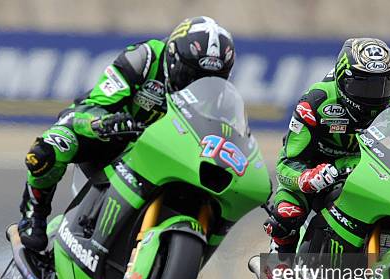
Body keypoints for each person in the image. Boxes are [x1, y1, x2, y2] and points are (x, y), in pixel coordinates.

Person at [18, 16, 235, 251]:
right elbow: (94, 103)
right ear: (173, 59)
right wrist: (103, 123)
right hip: (113, 139)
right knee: (47, 149)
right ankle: (33, 215)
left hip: (167, 155)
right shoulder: (145, 57)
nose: (197, 83)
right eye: (191, 73)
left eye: (211, 78)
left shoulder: (223, 98)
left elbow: (228, 137)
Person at [264, 38, 390, 253]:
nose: (373, 96)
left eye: (382, 85)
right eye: (364, 85)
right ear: (343, 80)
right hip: (315, 173)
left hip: (369, 178)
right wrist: (306, 179)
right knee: (285, 218)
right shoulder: (316, 102)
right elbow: (286, 163)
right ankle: (279, 274)